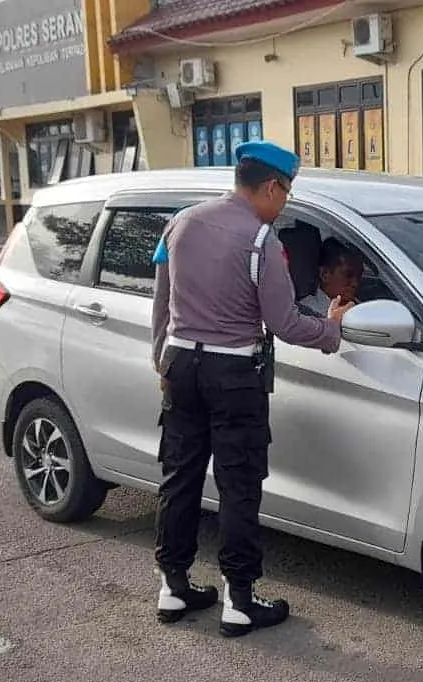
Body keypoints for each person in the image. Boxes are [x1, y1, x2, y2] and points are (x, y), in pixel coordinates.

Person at [149, 140, 354, 637]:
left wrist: (161, 359)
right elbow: (283, 323)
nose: (284, 202)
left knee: (179, 477)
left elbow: (161, 302)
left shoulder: (180, 223)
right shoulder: (263, 242)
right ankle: (239, 600)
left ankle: (173, 587)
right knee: (239, 486)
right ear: (269, 186)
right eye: (285, 191)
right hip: (234, 374)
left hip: (181, 364)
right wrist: (331, 330)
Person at [299, 238, 364, 316]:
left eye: (359, 276)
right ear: (325, 274)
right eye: (348, 275)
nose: (355, 283)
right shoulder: (305, 312)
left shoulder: (361, 306)